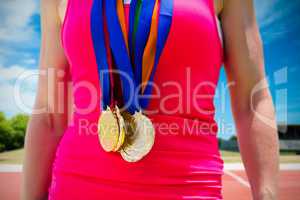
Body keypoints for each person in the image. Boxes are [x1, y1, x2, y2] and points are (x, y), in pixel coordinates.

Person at [22, 0, 279, 199]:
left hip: (190, 189)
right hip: (75, 187)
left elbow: (251, 99)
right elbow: (49, 113)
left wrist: (267, 195)